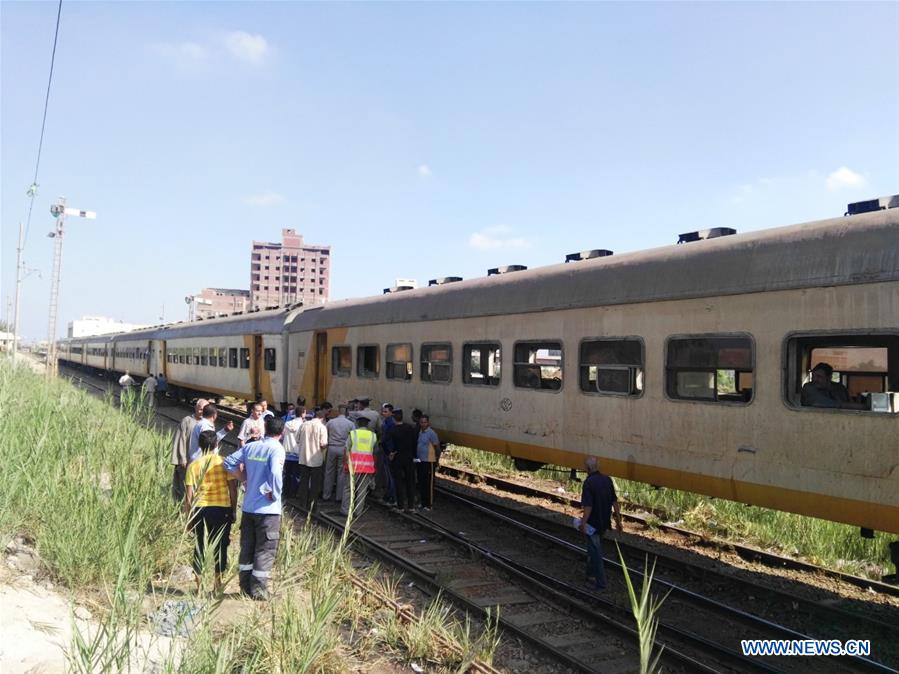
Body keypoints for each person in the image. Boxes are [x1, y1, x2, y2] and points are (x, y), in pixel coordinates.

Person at [223, 416, 286, 600]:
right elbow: (275, 472)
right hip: (268, 511)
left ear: (265, 429)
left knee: (248, 547)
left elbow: (228, 462)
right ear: (281, 433)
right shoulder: (277, 449)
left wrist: (243, 478)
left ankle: (244, 587)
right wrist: (274, 494)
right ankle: (259, 591)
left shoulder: (251, 446)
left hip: (249, 507)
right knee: (265, 549)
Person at [184, 430, 238, 592]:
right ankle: (217, 584)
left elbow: (189, 496)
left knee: (199, 545)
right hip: (221, 508)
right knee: (220, 545)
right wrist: (233, 510)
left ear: (200, 445)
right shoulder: (224, 462)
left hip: (199, 508)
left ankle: (199, 586)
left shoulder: (193, 465)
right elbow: (233, 490)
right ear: (217, 444)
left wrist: (189, 519)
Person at [579, 456, 623, 590]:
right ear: (597, 467)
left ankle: (601, 583)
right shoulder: (607, 480)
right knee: (593, 549)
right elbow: (615, 502)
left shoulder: (588, 483)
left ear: (587, 469)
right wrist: (619, 521)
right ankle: (589, 574)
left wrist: (583, 523)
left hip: (593, 524)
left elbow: (588, 506)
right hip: (605, 522)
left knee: (595, 553)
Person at [171, 399, 208, 501]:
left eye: (205, 410)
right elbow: (180, 439)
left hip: (200, 464)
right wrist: (182, 458)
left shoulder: (206, 423)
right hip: (186, 462)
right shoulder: (187, 421)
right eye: (200, 409)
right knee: (184, 488)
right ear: (195, 408)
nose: (202, 412)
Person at [341, 416, 377, 518]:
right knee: (362, 490)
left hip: (353, 467)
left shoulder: (353, 434)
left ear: (358, 424)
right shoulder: (373, 436)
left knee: (348, 488)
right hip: (367, 468)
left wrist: (345, 464)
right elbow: (375, 453)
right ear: (367, 425)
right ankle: (358, 512)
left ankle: (345, 510)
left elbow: (346, 450)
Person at [296, 407, 329, 509]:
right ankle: (312, 505)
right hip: (316, 460)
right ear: (322, 418)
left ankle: (302, 503)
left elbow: (297, 440)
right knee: (315, 484)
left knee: (303, 481)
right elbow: (323, 444)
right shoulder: (322, 427)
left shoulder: (303, 425)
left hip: (303, 458)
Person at [387, 409, 418, 513]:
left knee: (398, 482)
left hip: (397, 458)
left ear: (393, 418)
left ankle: (400, 506)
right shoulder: (410, 428)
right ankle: (411, 507)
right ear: (402, 417)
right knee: (410, 482)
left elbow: (386, 443)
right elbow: (415, 443)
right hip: (409, 458)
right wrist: (414, 455)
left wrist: (390, 453)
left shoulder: (392, 430)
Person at [323, 404, 354, 503]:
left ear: (338, 411)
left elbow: (325, 432)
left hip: (331, 447)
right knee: (341, 473)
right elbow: (353, 437)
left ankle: (326, 495)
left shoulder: (331, 422)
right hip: (343, 449)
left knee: (329, 471)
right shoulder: (350, 423)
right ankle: (339, 497)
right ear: (346, 412)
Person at [415, 415, 440, 511]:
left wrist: (436, 459)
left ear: (428, 423)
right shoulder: (420, 432)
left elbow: (437, 447)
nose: (423, 424)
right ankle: (423, 502)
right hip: (420, 460)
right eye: (421, 422)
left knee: (428, 483)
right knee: (421, 482)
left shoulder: (431, 433)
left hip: (429, 461)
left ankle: (429, 504)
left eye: (425, 422)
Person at [281, 405, 305, 498]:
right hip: (298, 453)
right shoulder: (303, 425)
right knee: (296, 475)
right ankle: (294, 492)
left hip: (287, 452)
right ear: (303, 413)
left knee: (287, 473)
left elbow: (282, 436)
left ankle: (285, 491)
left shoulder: (287, 424)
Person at [378, 403, 396, 504]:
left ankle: (391, 495)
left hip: (388, 452)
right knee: (388, 474)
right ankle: (389, 494)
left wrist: (389, 452)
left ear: (391, 413)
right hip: (387, 451)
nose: (383, 413)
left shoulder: (390, 424)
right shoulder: (387, 422)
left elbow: (386, 439)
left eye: (385, 412)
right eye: (383, 411)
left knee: (390, 475)